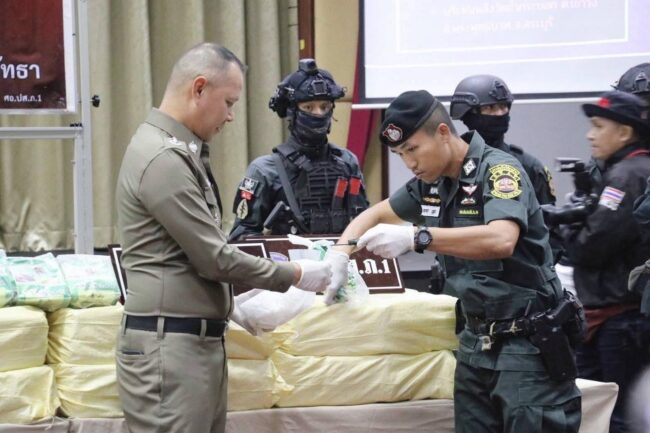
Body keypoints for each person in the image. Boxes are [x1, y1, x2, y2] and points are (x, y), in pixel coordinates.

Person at [330, 90, 582, 433]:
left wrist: (418, 237)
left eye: (413, 149)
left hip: (526, 343)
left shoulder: (498, 170)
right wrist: (339, 255)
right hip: (475, 342)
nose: (409, 163)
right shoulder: (432, 183)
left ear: (443, 133)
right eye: (400, 155)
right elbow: (374, 214)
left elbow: (501, 239)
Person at [114, 43, 332, 433]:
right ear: (199, 88)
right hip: (172, 348)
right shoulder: (163, 158)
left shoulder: (177, 150)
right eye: (228, 102)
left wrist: (228, 301)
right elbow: (213, 258)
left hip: (189, 343)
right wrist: (296, 274)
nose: (231, 116)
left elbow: (189, 255)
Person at [561, 90, 650, 433]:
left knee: (615, 415)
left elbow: (592, 246)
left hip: (619, 318)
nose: (590, 135)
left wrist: (567, 227)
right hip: (621, 315)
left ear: (625, 132)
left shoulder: (626, 176)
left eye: (599, 126)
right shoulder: (632, 171)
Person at [228, 58, 369, 240]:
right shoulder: (265, 170)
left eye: (324, 107)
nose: (318, 114)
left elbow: (364, 223)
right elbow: (241, 237)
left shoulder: (347, 162)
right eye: (308, 107)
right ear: (292, 112)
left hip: (342, 255)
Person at [450, 74, 556, 206]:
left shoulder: (529, 166)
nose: (500, 113)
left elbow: (547, 216)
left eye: (503, 106)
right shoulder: (448, 164)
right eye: (490, 107)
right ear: (468, 114)